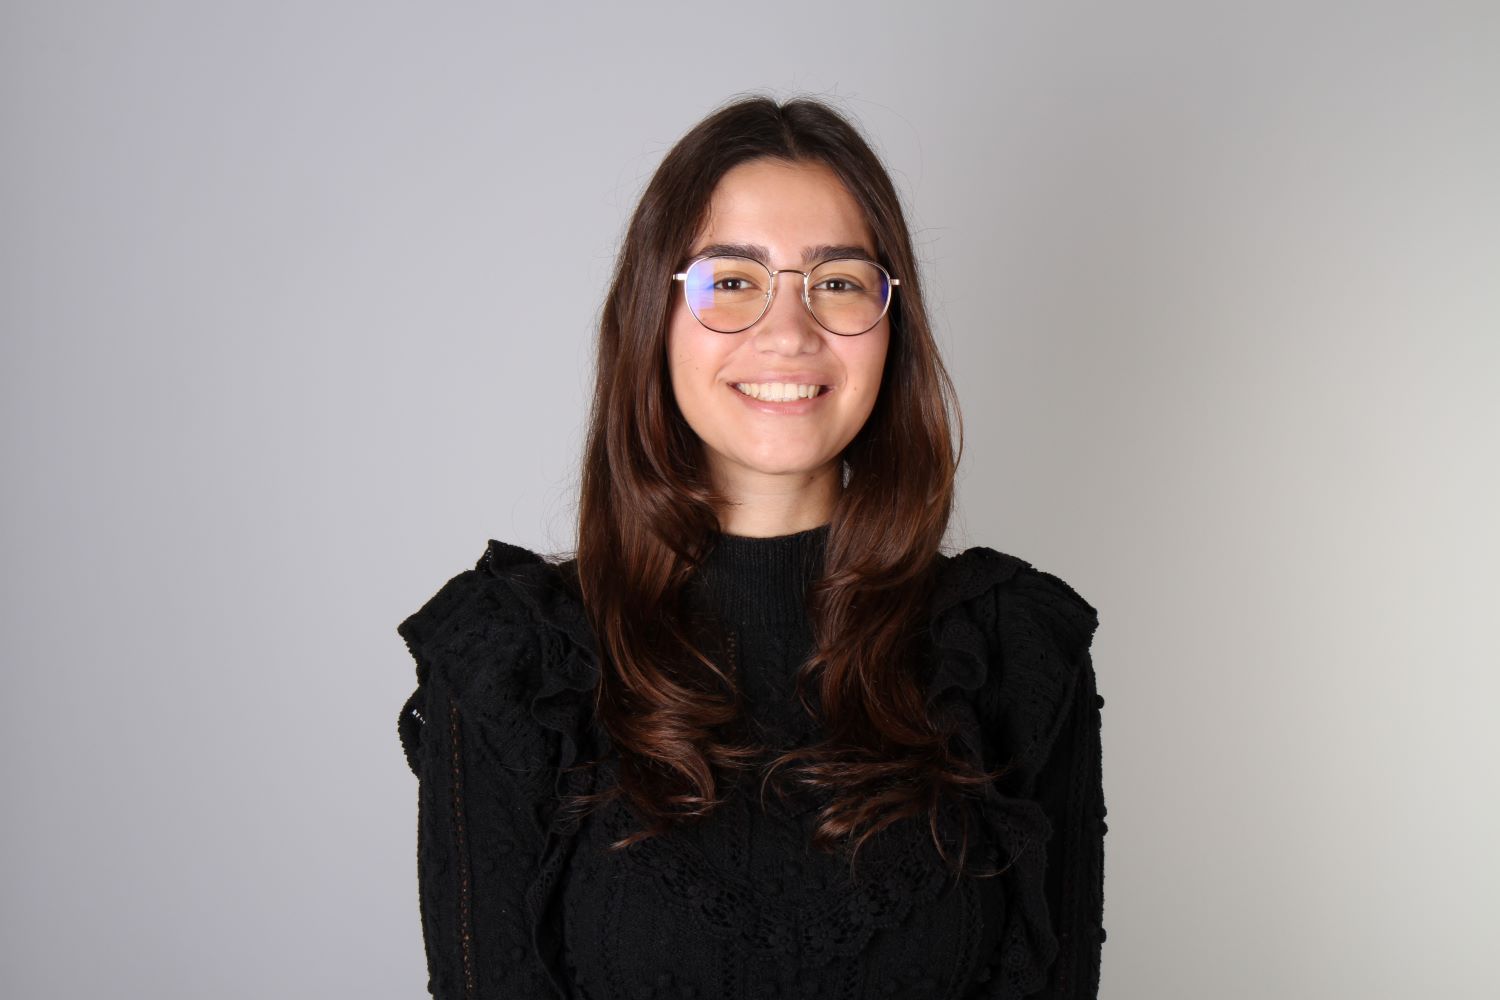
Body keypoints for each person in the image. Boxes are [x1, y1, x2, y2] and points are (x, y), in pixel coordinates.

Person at [396, 95, 1105, 1000]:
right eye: (731, 281)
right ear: (653, 316)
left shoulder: (1015, 649)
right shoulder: (513, 663)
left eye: (838, 282)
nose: (789, 331)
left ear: (893, 325)